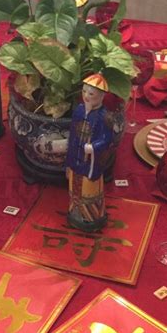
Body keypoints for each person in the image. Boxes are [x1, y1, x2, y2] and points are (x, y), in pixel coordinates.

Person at [66, 74, 113, 232]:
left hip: (91, 162)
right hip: (75, 159)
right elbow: (73, 135)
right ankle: (76, 213)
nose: (86, 96)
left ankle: (92, 216)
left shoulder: (104, 117)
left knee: (89, 189)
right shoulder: (79, 111)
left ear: (101, 96)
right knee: (74, 189)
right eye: (84, 91)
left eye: (91, 94)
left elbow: (107, 139)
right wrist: (68, 160)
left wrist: (93, 147)